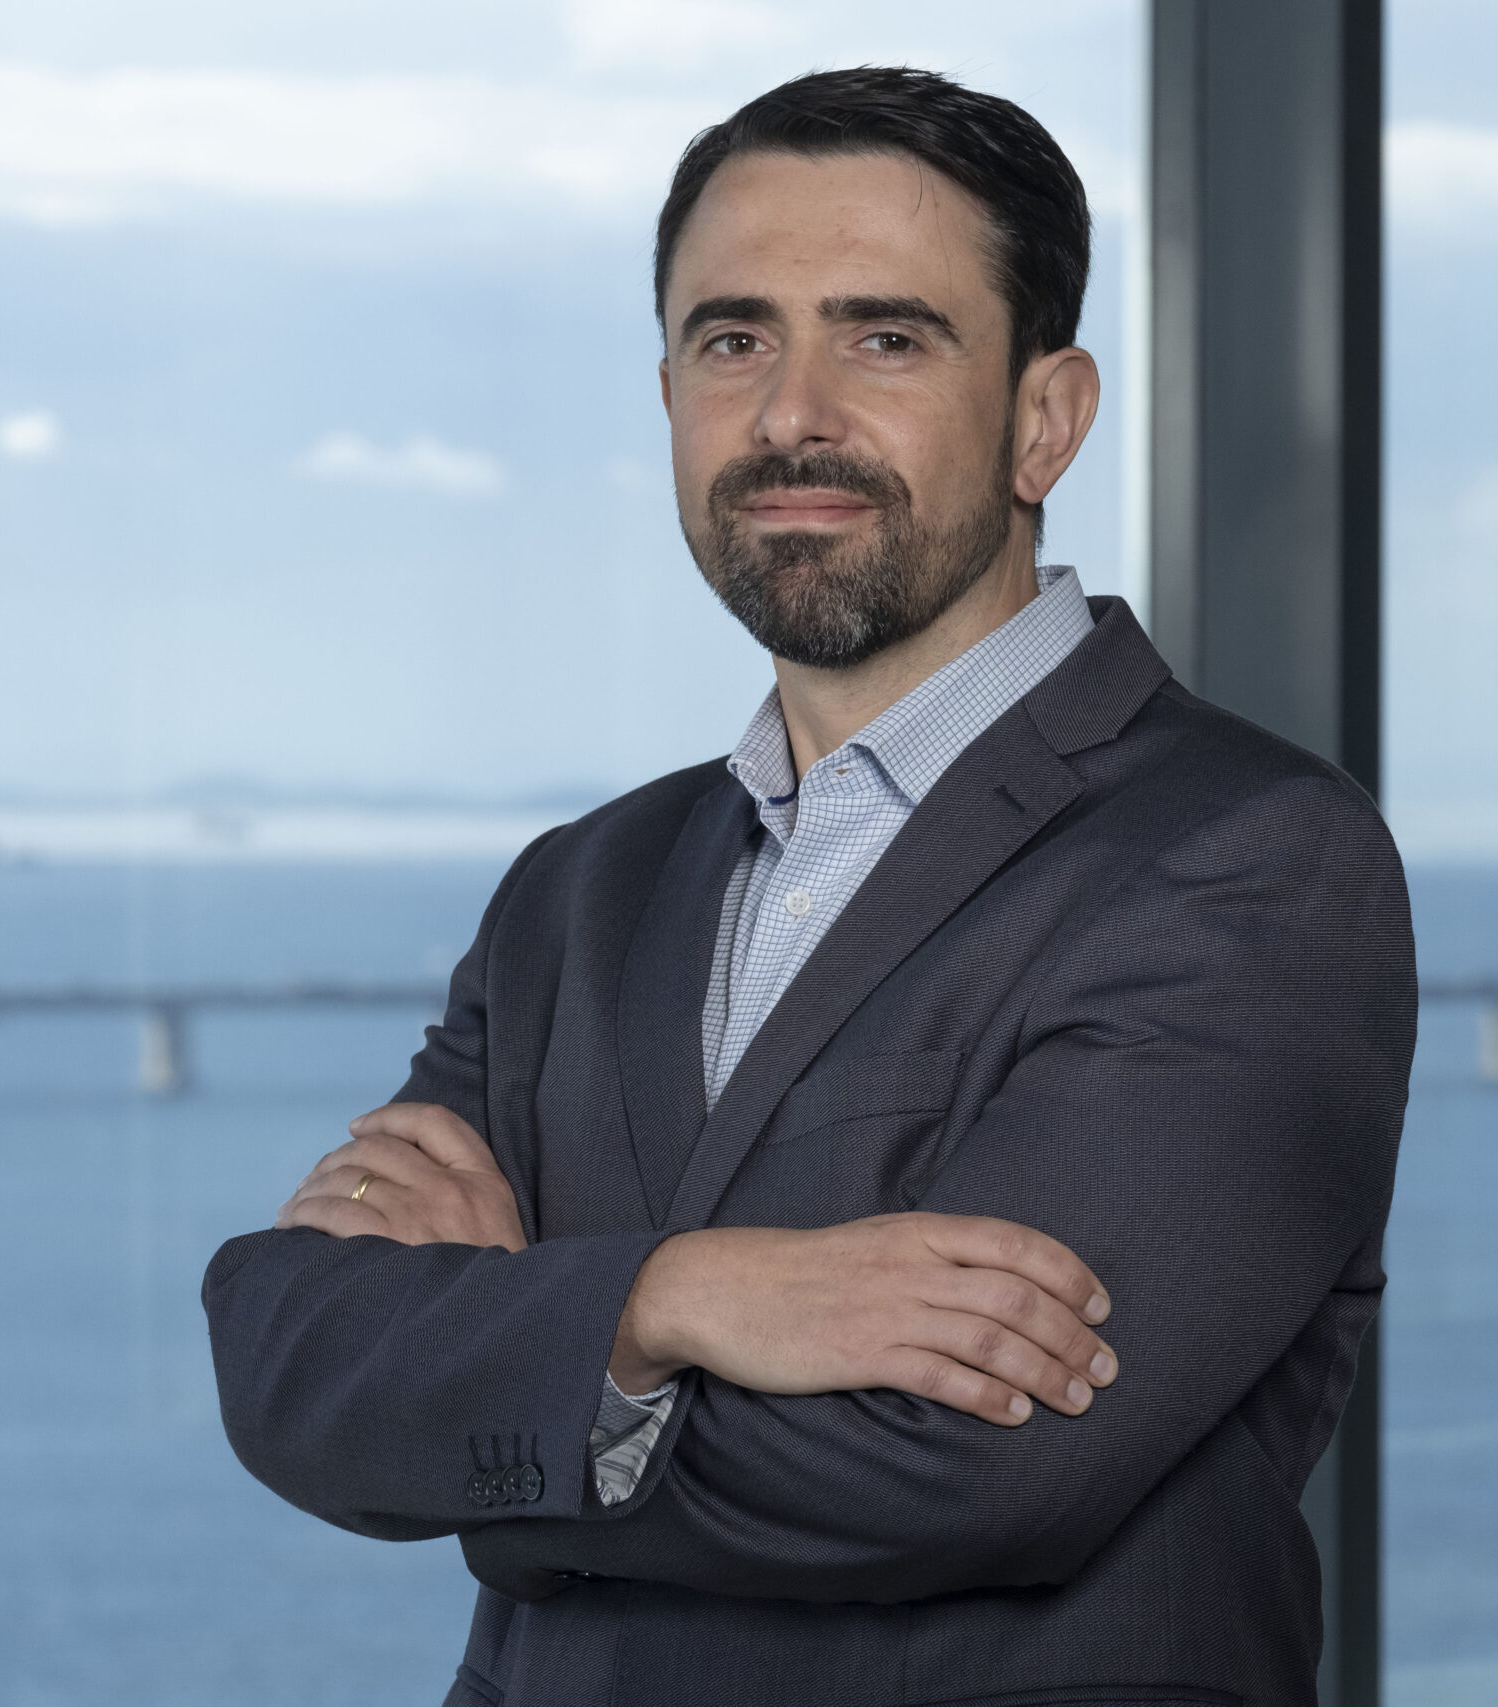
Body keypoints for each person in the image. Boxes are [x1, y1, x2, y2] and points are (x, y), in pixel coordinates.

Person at [203, 65, 1414, 1707]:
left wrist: (516, 1380)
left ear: (1046, 418)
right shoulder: (580, 890)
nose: (789, 416)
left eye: (885, 338)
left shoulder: (1243, 859)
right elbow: (291, 1358)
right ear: (670, 394)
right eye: (733, 342)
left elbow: (971, 1467)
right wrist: (675, 1299)